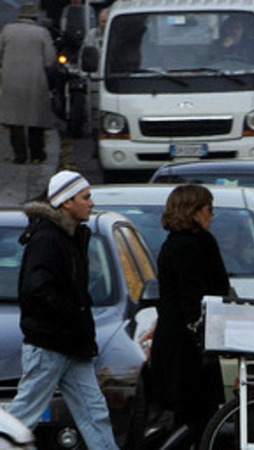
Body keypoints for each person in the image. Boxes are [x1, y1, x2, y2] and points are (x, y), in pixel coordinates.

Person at [7, 170, 119, 450]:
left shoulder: (69, 236)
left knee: (95, 415)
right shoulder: (48, 239)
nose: (92, 203)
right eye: (86, 197)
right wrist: (73, 315)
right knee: (22, 418)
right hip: (50, 345)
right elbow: (39, 291)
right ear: (66, 202)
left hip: (71, 345)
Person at [150, 184, 232, 448]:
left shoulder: (178, 244)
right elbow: (193, 299)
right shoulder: (190, 246)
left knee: (195, 414)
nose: (212, 215)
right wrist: (203, 338)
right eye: (209, 209)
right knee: (197, 415)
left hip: (182, 342)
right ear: (194, 212)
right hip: (188, 347)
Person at [0, 2, 57, 164]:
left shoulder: (7, 30)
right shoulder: (42, 33)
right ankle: (37, 153)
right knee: (35, 119)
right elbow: (50, 59)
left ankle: (20, 155)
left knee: (14, 120)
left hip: (11, 80)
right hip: (35, 81)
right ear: (35, 17)